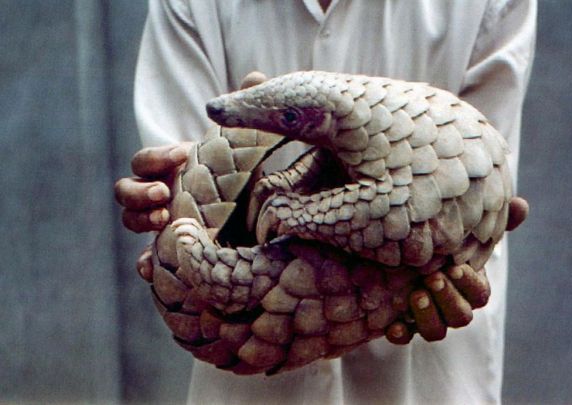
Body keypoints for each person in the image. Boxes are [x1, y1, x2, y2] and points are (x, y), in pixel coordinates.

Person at [115, 1, 535, 403]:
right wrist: (180, 194)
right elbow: (185, 177)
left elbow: (427, 207)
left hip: (424, 376)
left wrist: (299, 212)